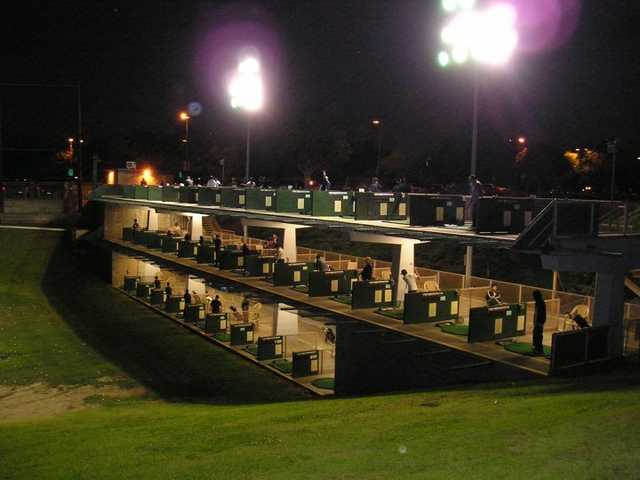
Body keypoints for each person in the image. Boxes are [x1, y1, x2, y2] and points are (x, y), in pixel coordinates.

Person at [532, 290, 546, 354]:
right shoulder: (539, 302)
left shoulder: (540, 302)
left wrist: (537, 322)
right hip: (539, 321)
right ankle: (537, 347)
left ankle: (539, 349)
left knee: (538, 335)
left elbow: (539, 313)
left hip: (539, 321)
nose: (533, 297)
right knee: (536, 334)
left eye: (534, 295)